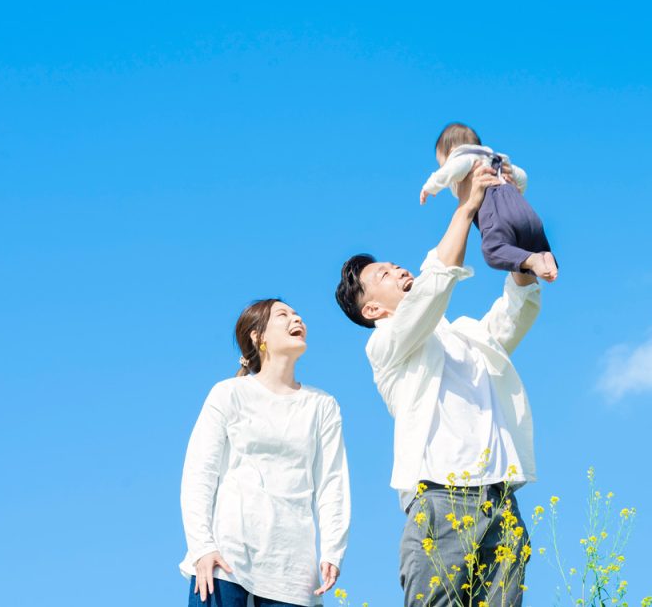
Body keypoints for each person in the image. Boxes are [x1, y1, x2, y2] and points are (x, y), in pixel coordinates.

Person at [335, 163, 542, 607]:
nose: (397, 270)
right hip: (441, 497)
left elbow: (513, 315)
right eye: (384, 275)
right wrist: (466, 207)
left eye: (394, 265)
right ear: (372, 310)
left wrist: (519, 255)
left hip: (500, 497)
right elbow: (433, 289)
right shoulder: (386, 346)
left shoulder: (465, 333)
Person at [179, 299, 350, 606]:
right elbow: (199, 473)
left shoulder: (322, 405)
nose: (297, 319)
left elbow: (332, 482)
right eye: (283, 315)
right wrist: (202, 546)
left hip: (293, 573)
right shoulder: (229, 393)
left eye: (297, 314)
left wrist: (333, 551)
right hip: (226, 562)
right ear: (258, 337)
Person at [420, 122, 558, 282]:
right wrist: (516, 191)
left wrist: (431, 186)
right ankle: (544, 255)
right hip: (524, 210)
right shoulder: (497, 159)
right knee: (528, 245)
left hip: (496, 210)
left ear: (451, 152)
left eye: (441, 163)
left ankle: (534, 260)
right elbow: (522, 176)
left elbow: (452, 169)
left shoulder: (463, 157)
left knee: (493, 250)